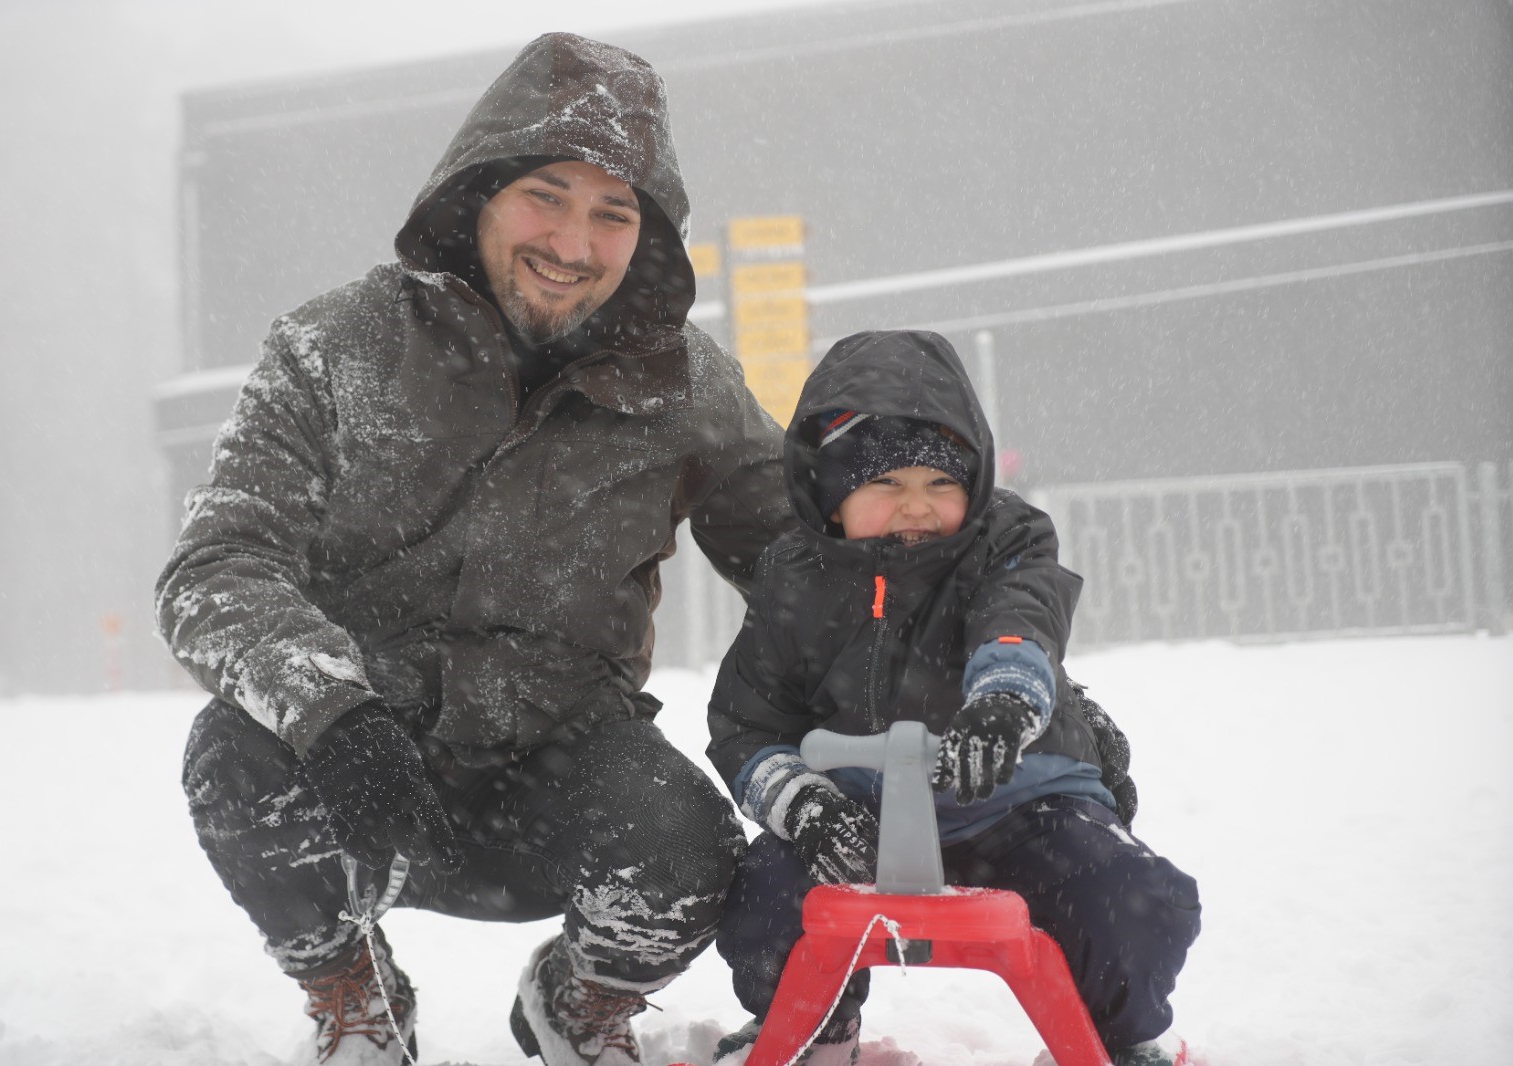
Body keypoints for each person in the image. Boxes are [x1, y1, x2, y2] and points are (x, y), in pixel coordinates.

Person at [155, 33, 791, 1066]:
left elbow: (810, 568)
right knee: (233, 760)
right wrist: (332, 712)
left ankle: (580, 1000)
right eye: (547, 196)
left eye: (613, 212)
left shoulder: (686, 385)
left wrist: (974, 641)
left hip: (561, 768)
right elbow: (216, 564)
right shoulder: (333, 347)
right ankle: (354, 997)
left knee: (689, 845)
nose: (574, 242)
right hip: (359, 766)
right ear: (479, 191)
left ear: (649, 236)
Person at [705, 330, 1201, 1066]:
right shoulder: (796, 577)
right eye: (886, 484)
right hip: (860, 812)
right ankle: (814, 1028)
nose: (917, 507)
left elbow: (1019, 616)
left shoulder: (1005, 540)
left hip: (1021, 805)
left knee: (1128, 898)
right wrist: (803, 805)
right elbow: (749, 722)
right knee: (765, 898)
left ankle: (1117, 1039)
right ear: (832, 495)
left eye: (941, 483)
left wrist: (1004, 701)